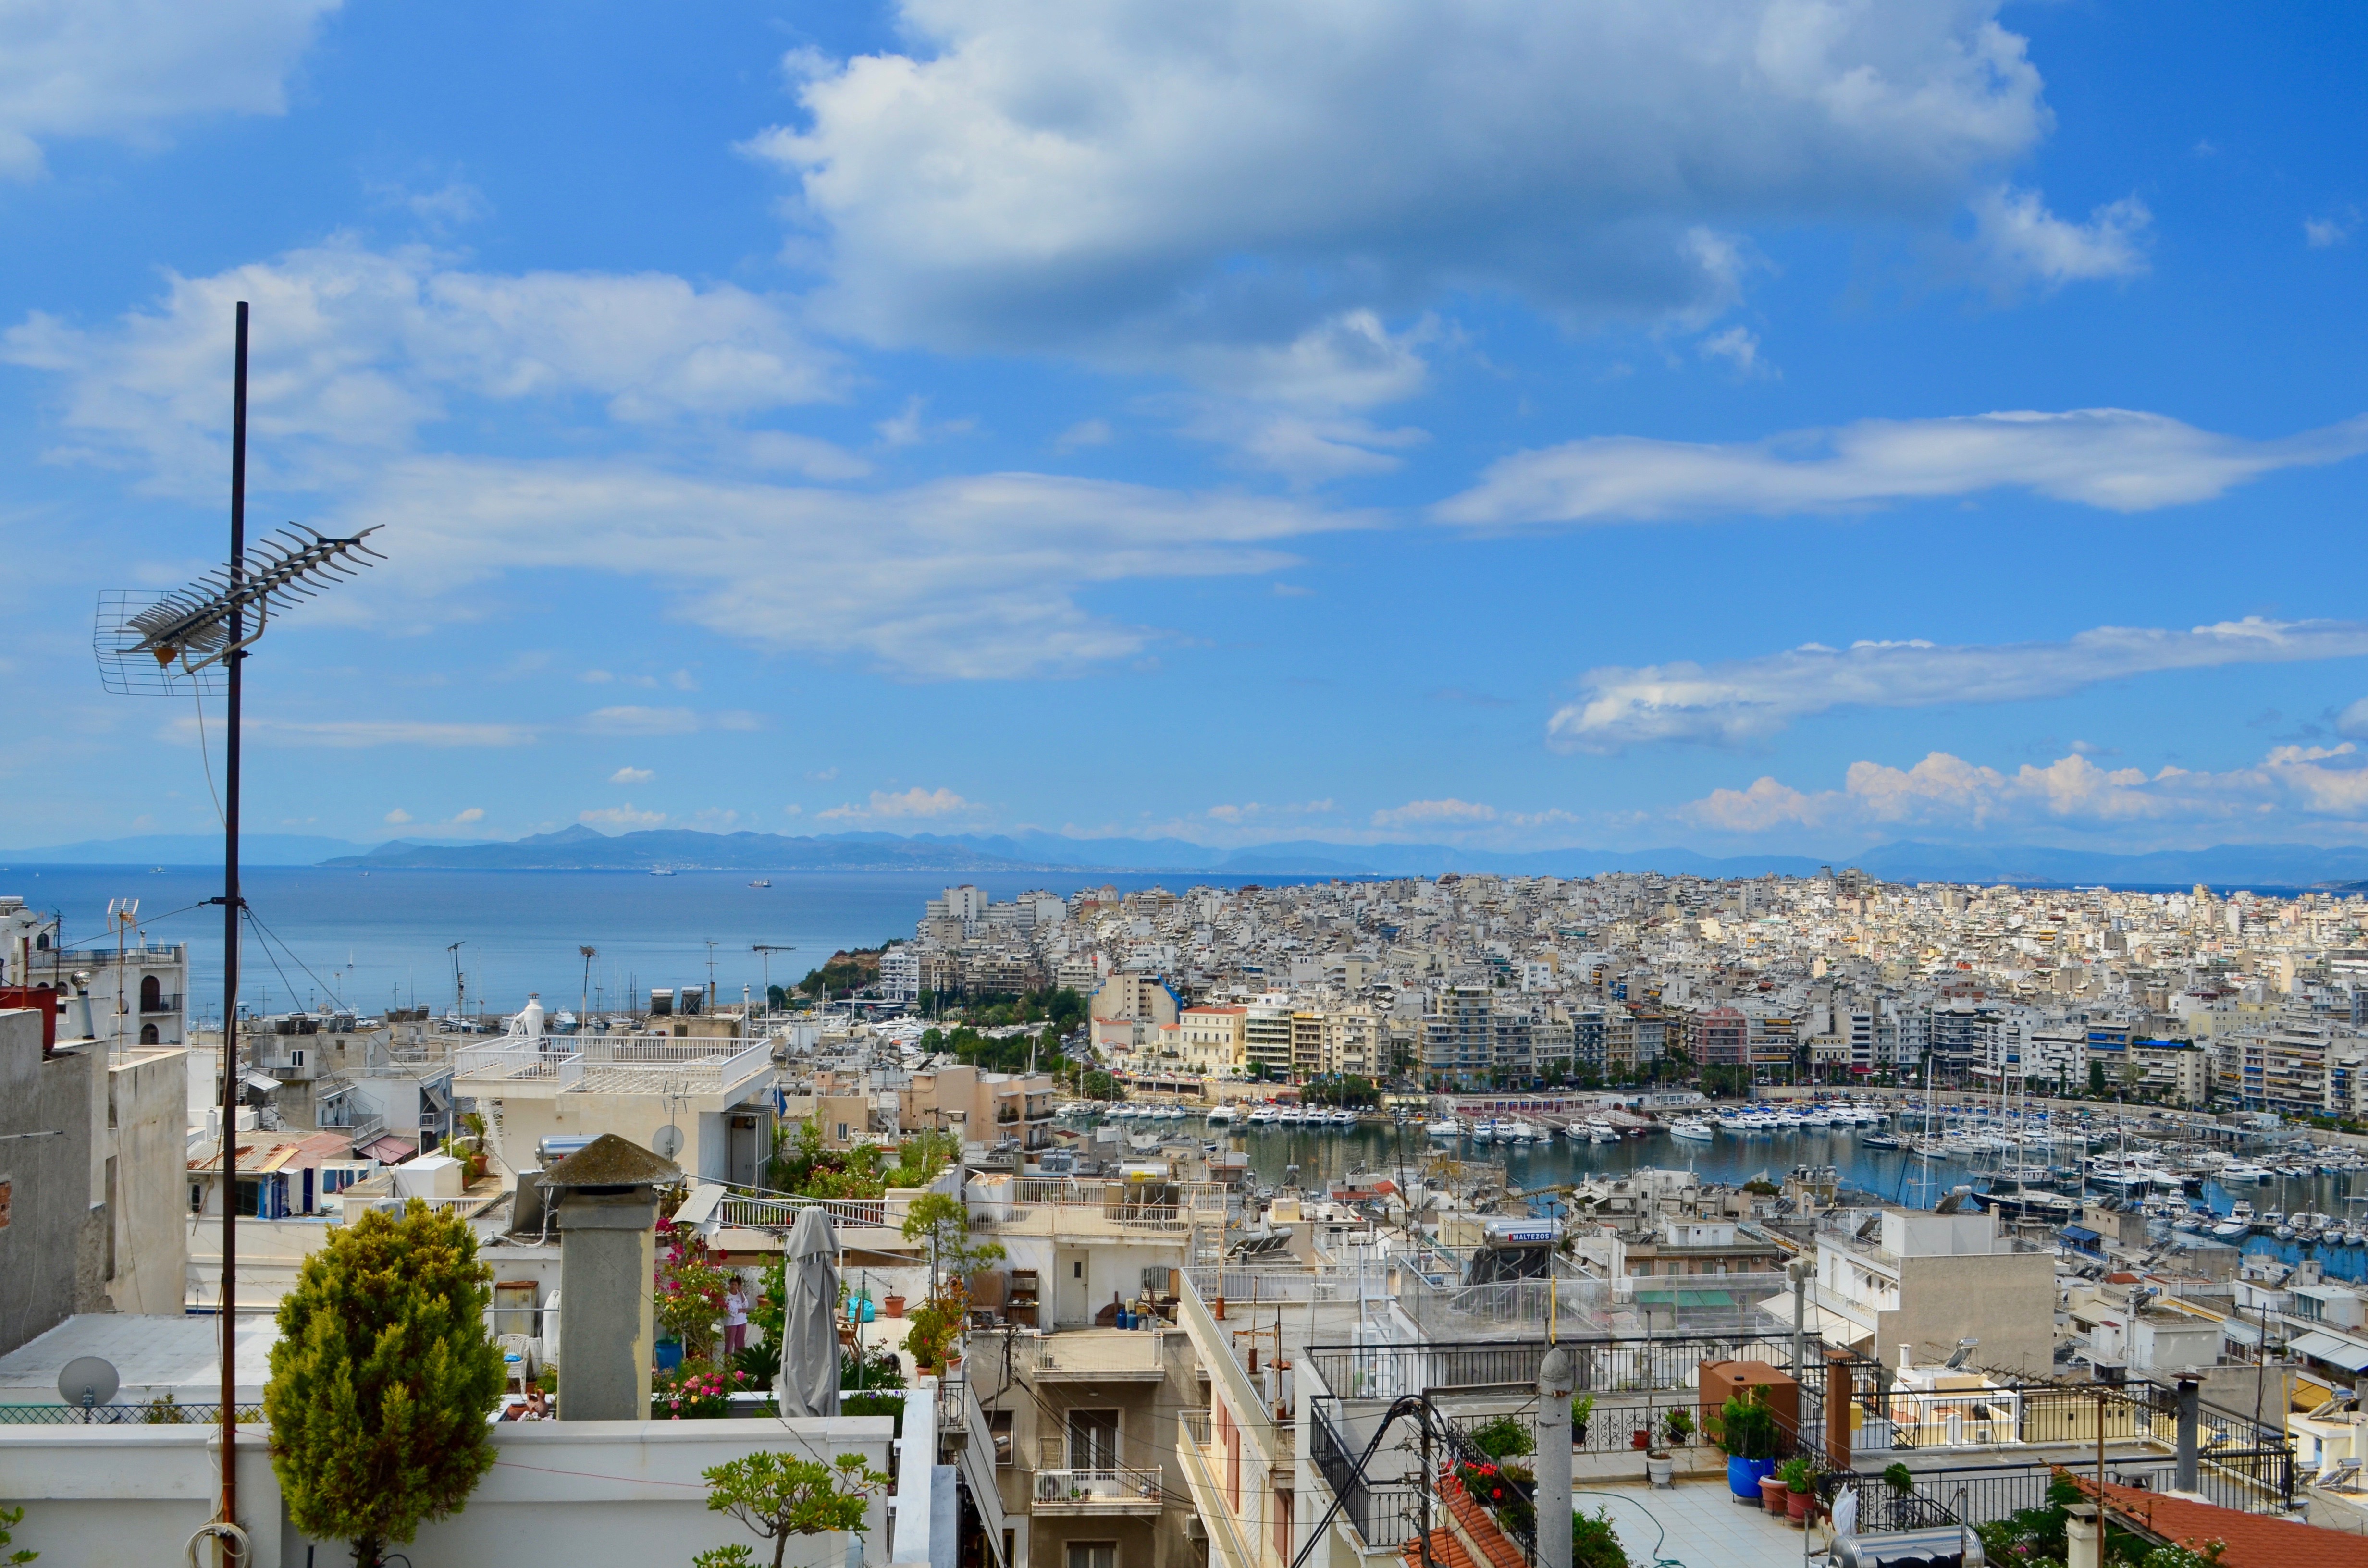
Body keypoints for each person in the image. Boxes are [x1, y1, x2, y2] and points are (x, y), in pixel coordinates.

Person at [723, 1277, 750, 1356]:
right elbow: (729, 1309)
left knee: (740, 1343)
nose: (734, 1286)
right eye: (732, 1284)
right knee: (729, 1343)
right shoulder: (726, 1295)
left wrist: (741, 1292)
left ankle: (739, 1361)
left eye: (736, 1285)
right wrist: (740, 1310)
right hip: (730, 1323)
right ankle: (728, 1361)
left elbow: (746, 1305)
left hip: (741, 1322)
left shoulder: (740, 1294)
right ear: (730, 1284)